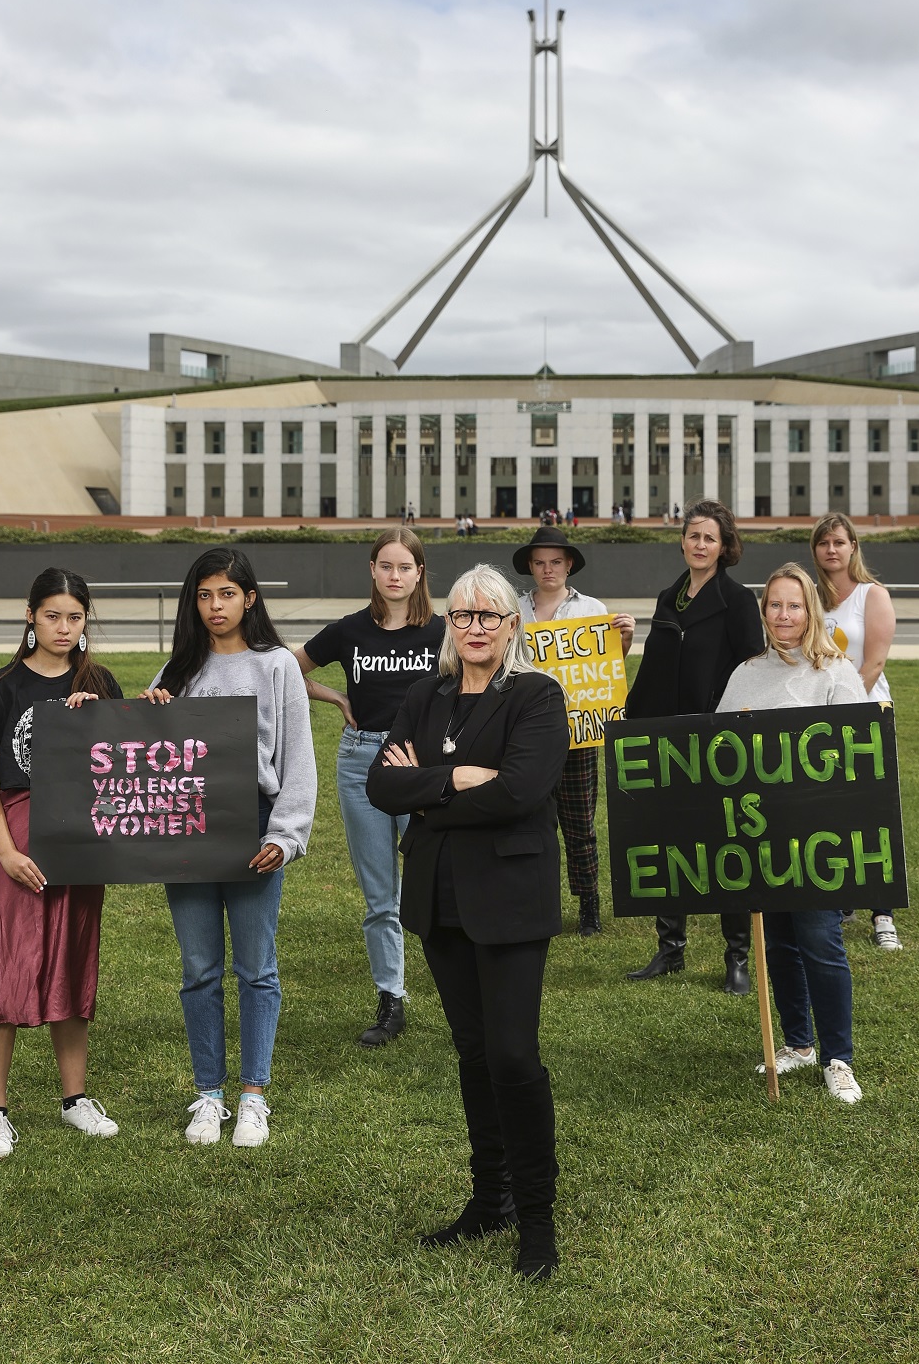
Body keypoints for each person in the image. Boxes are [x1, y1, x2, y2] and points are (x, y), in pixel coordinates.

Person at [366, 565, 570, 1280]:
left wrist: (429, 786)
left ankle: (537, 1220)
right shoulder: (428, 695)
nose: (476, 627)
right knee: (474, 1055)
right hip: (440, 897)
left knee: (513, 1056)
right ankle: (492, 1199)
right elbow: (381, 784)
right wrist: (456, 777)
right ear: (447, 624)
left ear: (513, 624)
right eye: (462, 616)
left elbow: (522, 790)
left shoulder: (538, 695)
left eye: (489, 615)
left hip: (510, 899)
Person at [142, 548, 316, 1147]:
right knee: (198, 969)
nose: (216, 607)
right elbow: (145, 760)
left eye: (227, 594)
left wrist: (285, 836)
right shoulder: (177, 671)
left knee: (256, 966)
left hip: (255, 825)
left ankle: (253, 1094)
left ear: (250, 598)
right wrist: (151, 713)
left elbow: (297, 757)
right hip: (186, 828)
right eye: (204, 595)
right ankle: (208, 1093)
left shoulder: (276, 666)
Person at [0, 567, 124, 1157]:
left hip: (82, 839)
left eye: (75, 617)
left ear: (87, 623)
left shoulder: (98, 680)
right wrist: (6, 849)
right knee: (10, 963)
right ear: (30, 615)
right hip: (21, 836)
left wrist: (99, 716)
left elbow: (125, 757)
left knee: (74, 957)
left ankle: (74, 1099)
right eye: (52, 615)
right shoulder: (3, 686)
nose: (63, 627)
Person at [717, 563, 867, 1103]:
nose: (785, 615)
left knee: (821, 942)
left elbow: (858, 759)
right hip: (762, 838)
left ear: (811, 611)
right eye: (775, 605)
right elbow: (717, 751)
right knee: (777, 942)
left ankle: (838, 1057)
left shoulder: (836, 672)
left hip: (817, 838)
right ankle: (800, 1043)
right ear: (764, 613)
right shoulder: (745, 675)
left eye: (794, 605)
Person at [295, 530, 445, 1047]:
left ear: (420, 572)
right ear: (373, 570)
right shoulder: (350, 631)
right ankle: (391, 997)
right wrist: (336, 698)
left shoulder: (443, 633)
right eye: (386, 566)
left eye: (405, 566)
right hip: (362, 762)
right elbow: (287, 667)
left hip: (420, 765)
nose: (395, 576)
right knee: (381, 896)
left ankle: (459, 992)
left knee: (436, 883)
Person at [625, 499, 765, 993]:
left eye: (710, 537)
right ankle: (670, 949)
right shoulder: (668, 597)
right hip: (668, 741)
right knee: (669, 844)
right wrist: (628, 721)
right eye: (693, 536)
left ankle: (737, 956)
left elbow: (753, 667)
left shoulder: (739, 599)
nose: (700, 544)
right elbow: (655, 668)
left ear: (725, 546)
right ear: (682, 541)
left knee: (727, 846)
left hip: (720, 741)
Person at [512, 526, 635, 936]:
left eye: (556, 562)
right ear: (530, 566)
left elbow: (607, 667)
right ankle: (538, 901)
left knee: (580, 824)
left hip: (579, 734)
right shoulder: (513, 610)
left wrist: (625, 640)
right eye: (541, 562)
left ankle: (589, 905)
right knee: (531, 823)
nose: (548, 569)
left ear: (569, 565)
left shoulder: (591, 609)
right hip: (525, 736)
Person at [810, 513, 903, 952]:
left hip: (864, 716)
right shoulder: (811, 598)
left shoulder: (872, 595)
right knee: (832, 814)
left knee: (873, 815)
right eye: (824, 542)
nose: (832, 549)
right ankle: (843, 898)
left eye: (839, 542)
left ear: (853, 547)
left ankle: (882, 913)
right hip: (819, 723)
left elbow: (875, 663)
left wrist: (842, 709)